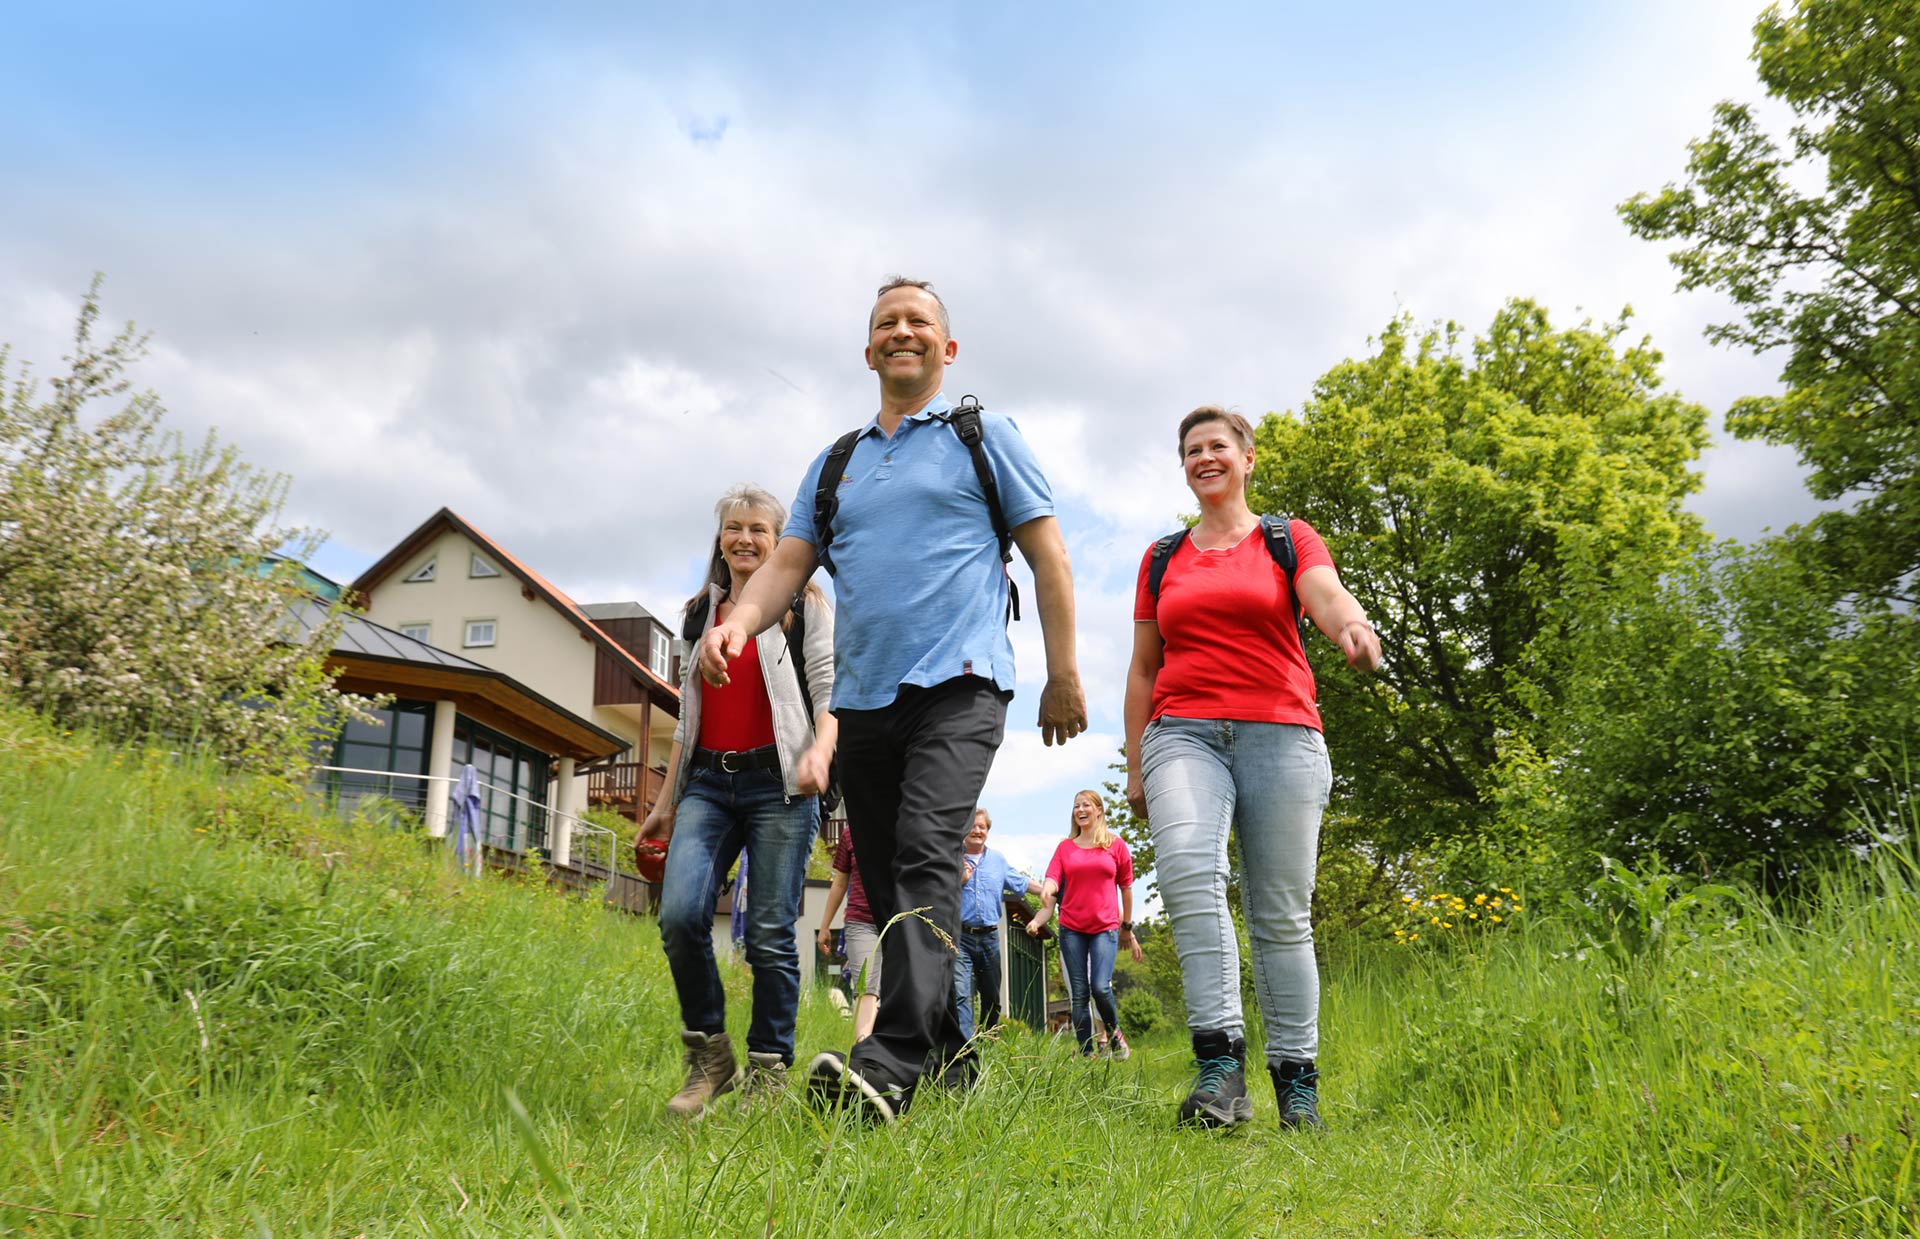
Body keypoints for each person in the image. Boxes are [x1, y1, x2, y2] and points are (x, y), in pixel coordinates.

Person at [699, 276, 1087, 1123]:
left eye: (919, 322)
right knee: (887, 874)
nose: (901, 332)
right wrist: (739, 624)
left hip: (962, 682)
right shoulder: (835, 464)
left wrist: (1063, 672)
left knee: (922, 855)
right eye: (886, 323)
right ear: (868, 349)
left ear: (946, 350)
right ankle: (951, 1056)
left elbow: (1049, 556)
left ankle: (892, 1057)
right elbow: (788, 563)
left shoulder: (985, 438)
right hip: (867, 700)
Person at [1124, 406, 1381, 1131]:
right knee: (1186, 869)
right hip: (1183, 733)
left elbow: (1326, 595)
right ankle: (1220, 1067)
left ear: (1247, 458)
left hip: (1283, 732)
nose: (1204, 457)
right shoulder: (1162, 556)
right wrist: (1136, 764)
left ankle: (1297, 1083)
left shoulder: (1285, 537)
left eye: (1217, 446)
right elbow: (1144, 668)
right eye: (1191, 450)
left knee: (1280, 915)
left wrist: (1351, 626)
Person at [639, 484, 838, 1118]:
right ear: (720, 538)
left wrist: (822, 753)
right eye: (734, 527)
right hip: (706, 783)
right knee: (680, 914)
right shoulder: (699, 612)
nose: (744, 538)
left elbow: (829, 686)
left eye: (759, 528)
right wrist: (665, 802)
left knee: (773, 933)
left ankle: (769, 1069)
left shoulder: (805, 605)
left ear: (779, 540)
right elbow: (685, 715)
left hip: (779, 785)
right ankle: (709, 1056)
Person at [1026, 790, 1142, 1060]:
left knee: (1100, 987)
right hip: (1072, 929)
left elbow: (1126, 888)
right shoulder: (1065, 848)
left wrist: (1127, 926)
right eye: (1076, 805)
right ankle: (1088, 1053)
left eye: (1086, 804)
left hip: (1105, 928)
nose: (1080, 809)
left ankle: (1114, 1034)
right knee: (1079, 994)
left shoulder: (1116, 846)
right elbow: (1053, 876)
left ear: (1099, 810)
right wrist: (1048, 889)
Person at [954, 807, 1042, 1041]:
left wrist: (1048, 891)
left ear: (988, 831)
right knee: (962, 994)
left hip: (989, 938)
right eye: (972, 826)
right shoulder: (953, 857)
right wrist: (959, 879)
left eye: (982, 827)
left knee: (992, 997)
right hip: (960, 937)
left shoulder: (997, 860)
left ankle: (984, 1040)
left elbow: (1021, 882)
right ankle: (965, 1050)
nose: (977, 830)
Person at [816, 826, 881, 1042]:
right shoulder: (850, 832)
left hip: (899, 921)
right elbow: (841, 881)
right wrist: (825, 926)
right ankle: (863, 1049)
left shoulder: (905, 823)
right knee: (866, 986)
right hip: (860, 921)